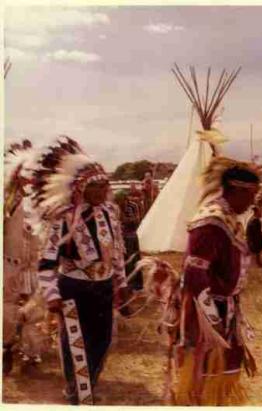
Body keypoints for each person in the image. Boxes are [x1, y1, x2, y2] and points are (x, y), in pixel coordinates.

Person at [30, 136, 130, 405]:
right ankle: (76, 389)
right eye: (95, 186)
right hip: (74, 287)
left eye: (104, 185)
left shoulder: (109, 212)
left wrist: (121, 282)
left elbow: (116, 250)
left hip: (103, 286)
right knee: (74, 341)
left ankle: (90, 382)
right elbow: (47, 261)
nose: (101, 191)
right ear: (80, 188)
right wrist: (51, 294)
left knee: (103, 339)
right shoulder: (62, 217)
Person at [171, 156, 260, 405]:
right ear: (235, 191)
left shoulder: (228, 216)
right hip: (206, 313)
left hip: (224, 309)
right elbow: (194, 276)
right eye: (250, 195)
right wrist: (213, 320)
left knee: (223, 370)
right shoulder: (210, 223)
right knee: (205, 374)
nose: (253, 202)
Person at [3, 140, 46, 369]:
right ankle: (5, 347)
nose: (30, 178)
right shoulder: (7, 200)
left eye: (32, 174)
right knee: (7, 308)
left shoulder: (38, 202)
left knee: (35, 308)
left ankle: (31, 351)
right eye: (25, 173)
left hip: (34, 265)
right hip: (9, 263)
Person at [116, 189, 143, 291]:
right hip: (120, 237)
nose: (119, 203)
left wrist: (123, 219)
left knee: (133, 260)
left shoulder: (132, 206)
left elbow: (136, 220)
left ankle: (135, 285)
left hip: (131, 236)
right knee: (122, 261)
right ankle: (125, 284)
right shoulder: (115, 207)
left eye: (120, 200)